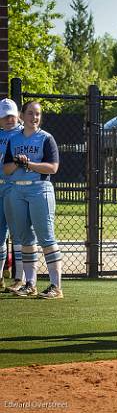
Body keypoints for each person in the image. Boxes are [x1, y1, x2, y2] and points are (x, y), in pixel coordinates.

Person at [5, 101, 62, 298]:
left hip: (39, 190)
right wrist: (16, 161)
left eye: (37, 114)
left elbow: (52, 168)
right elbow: (6, 169)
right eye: (30, 113)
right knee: (25, 239)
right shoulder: (14, 140)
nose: (34, 117)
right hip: (17, 191)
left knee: (46, 237)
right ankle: (30, 284)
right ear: (22, 115)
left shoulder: (46, 138)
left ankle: (56, 286)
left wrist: (30, 164)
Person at [0, 99, 29, 293]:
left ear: (18, 115)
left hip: (16, 188)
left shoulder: (24, 134)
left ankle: (20, 279)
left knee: (19, 235)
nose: (9, 119)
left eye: (12, 115)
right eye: (4, 116)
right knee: (0, 235)